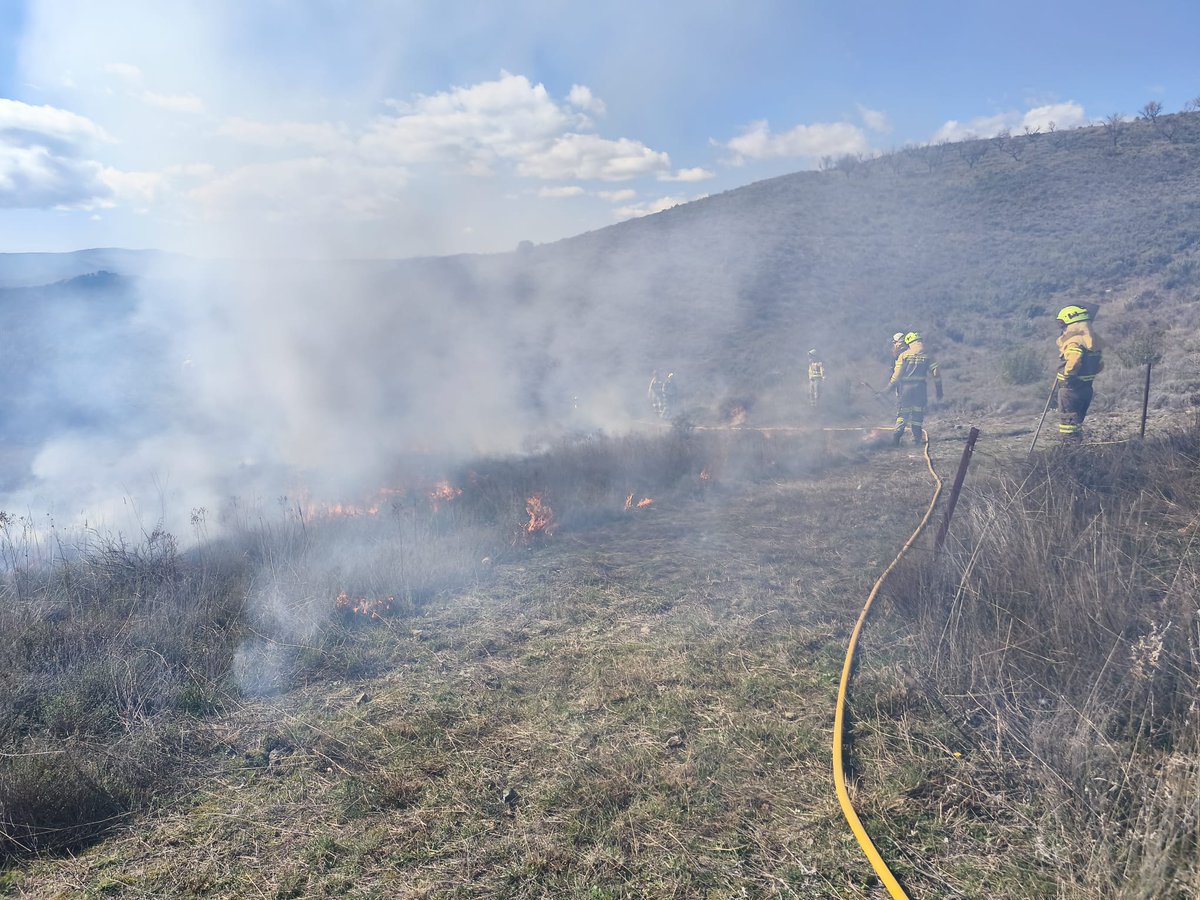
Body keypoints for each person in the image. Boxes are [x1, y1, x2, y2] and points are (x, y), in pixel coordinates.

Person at [1051, 305, 1103, 444]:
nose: (1061, 328)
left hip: (1071, 390)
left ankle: (1071, 455)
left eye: (1062, 324)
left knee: (1068, 428)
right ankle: (1077, 448)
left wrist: (1067, 375)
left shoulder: (1075, 342)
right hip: (1086, 389)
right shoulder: (1093, 341)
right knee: (1076, 424)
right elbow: (1099, 366)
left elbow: (1074, 362)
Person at [887, 331, 943, 446]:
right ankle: (917, 439)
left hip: (906, 389)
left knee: (903, 413)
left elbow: (896, 376)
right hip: (920, 389)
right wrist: (939, 390)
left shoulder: (904, 355)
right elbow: (936, 373)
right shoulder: (928, 354)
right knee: (917, 414)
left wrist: (887, 389)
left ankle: (896, 436)